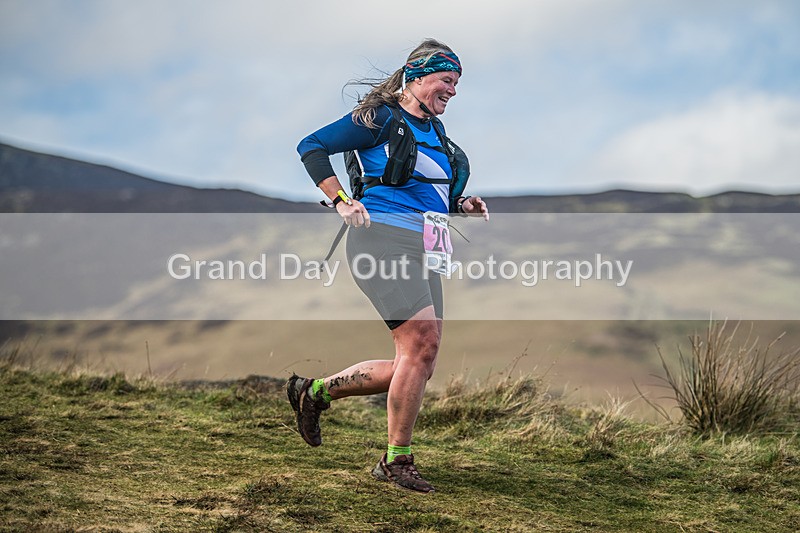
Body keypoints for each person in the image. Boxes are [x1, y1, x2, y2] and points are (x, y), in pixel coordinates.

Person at [288, 38, 489, 493]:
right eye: (447, 81)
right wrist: (341, 199)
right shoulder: (380, 118)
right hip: (381, 241)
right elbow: (311, 145)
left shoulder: (437, 134)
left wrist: (462, 204)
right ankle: (396, 460)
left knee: (421, 357)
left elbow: (423, 192)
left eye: (456, 83)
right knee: (422, 342)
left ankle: (314, 392)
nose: (453, 91)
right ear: (417, 75)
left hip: (428, 245)